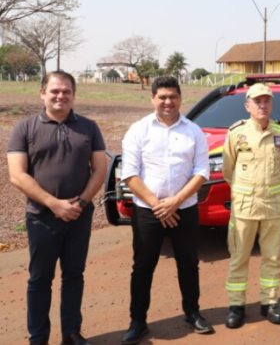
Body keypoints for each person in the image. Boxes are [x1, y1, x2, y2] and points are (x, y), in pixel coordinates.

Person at [7, 71, 107, 345]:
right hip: (41, 218)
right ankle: (38, 337)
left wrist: (81, 203)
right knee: (40, 278)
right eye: (55, 91)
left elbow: (99, 169)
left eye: (66, 92)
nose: (61, 96)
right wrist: (54, 204)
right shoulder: (24, 128)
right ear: (42, 93)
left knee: (74, 275)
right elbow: (17, 175)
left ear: (74, 95)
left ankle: (71, 332)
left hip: (79, 216)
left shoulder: (89, 127)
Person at [120, 76, 213, 344]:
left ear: (180, 97)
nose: (167, 102)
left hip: (184, 208)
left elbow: (201, 172)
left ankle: (192, 313)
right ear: (152, 99)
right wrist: (158, 204)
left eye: (172, 96)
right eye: (162, 97)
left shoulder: (194, 131)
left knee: (189, 264)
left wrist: (175, 201)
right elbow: (129, 173)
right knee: (142, 267)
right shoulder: (138, 130)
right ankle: (137, 321)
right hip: (148, 212)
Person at [223, 84, 280, 328]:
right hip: (244, 206)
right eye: (257, 101)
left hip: (273, 206)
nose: (262, 105)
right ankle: (236, 306)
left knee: (273, 257)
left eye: (266, 101)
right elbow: (228, 170)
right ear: (248, 106)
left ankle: (270, 303)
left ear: (271, 104)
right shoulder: (235, 133)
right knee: (239, 257)